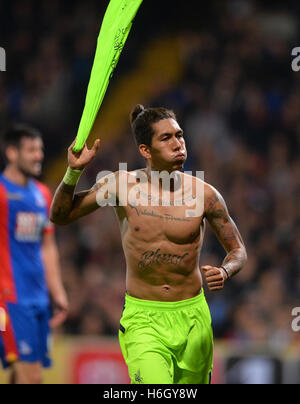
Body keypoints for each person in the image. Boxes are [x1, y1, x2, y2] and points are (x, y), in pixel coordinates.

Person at [50, 105, 247, 384]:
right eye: (166, 138)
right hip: (144, 319)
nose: (178, 143)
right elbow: (59, 216)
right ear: (145, 150)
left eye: (179, 135)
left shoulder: (205, 195)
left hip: (194, 320)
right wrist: (72, 173)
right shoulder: (121, 186)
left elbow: (238, 250)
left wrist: (226, 271)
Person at [0, 124, 68, 384]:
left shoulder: (42, 194)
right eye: (31, 150)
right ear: (12, 153)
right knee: (31, 376)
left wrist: (57, 292)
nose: (39, 156)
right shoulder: (1, 193)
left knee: (26, 376)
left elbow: (47, 246)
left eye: (39, 150)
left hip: (39, 298)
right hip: (10, 298)